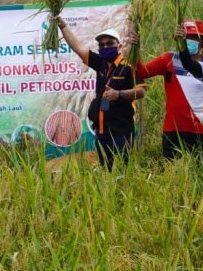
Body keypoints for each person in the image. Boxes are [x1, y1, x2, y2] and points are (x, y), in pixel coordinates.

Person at [55, 17, 146, 169]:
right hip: (102, 128)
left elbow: (141, 91)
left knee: (124, 168)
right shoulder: (100, 64)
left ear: (120, 46)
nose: (105, 47)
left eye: (110, 43)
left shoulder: (130, 66)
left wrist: (119, 94)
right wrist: (63, 26)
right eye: (102, 45)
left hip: (122, 129)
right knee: (106, 169)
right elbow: (78, 48)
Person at [133, 20, 203, 159]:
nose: (189, 41)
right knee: (172, 172)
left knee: (200, 173)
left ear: (202, 42)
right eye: (186, 38)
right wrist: (135, 49)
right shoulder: (168, 59)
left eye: (193, 38)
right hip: (173, 128)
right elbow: (142, 72)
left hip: (201, 128)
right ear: (179, 39)